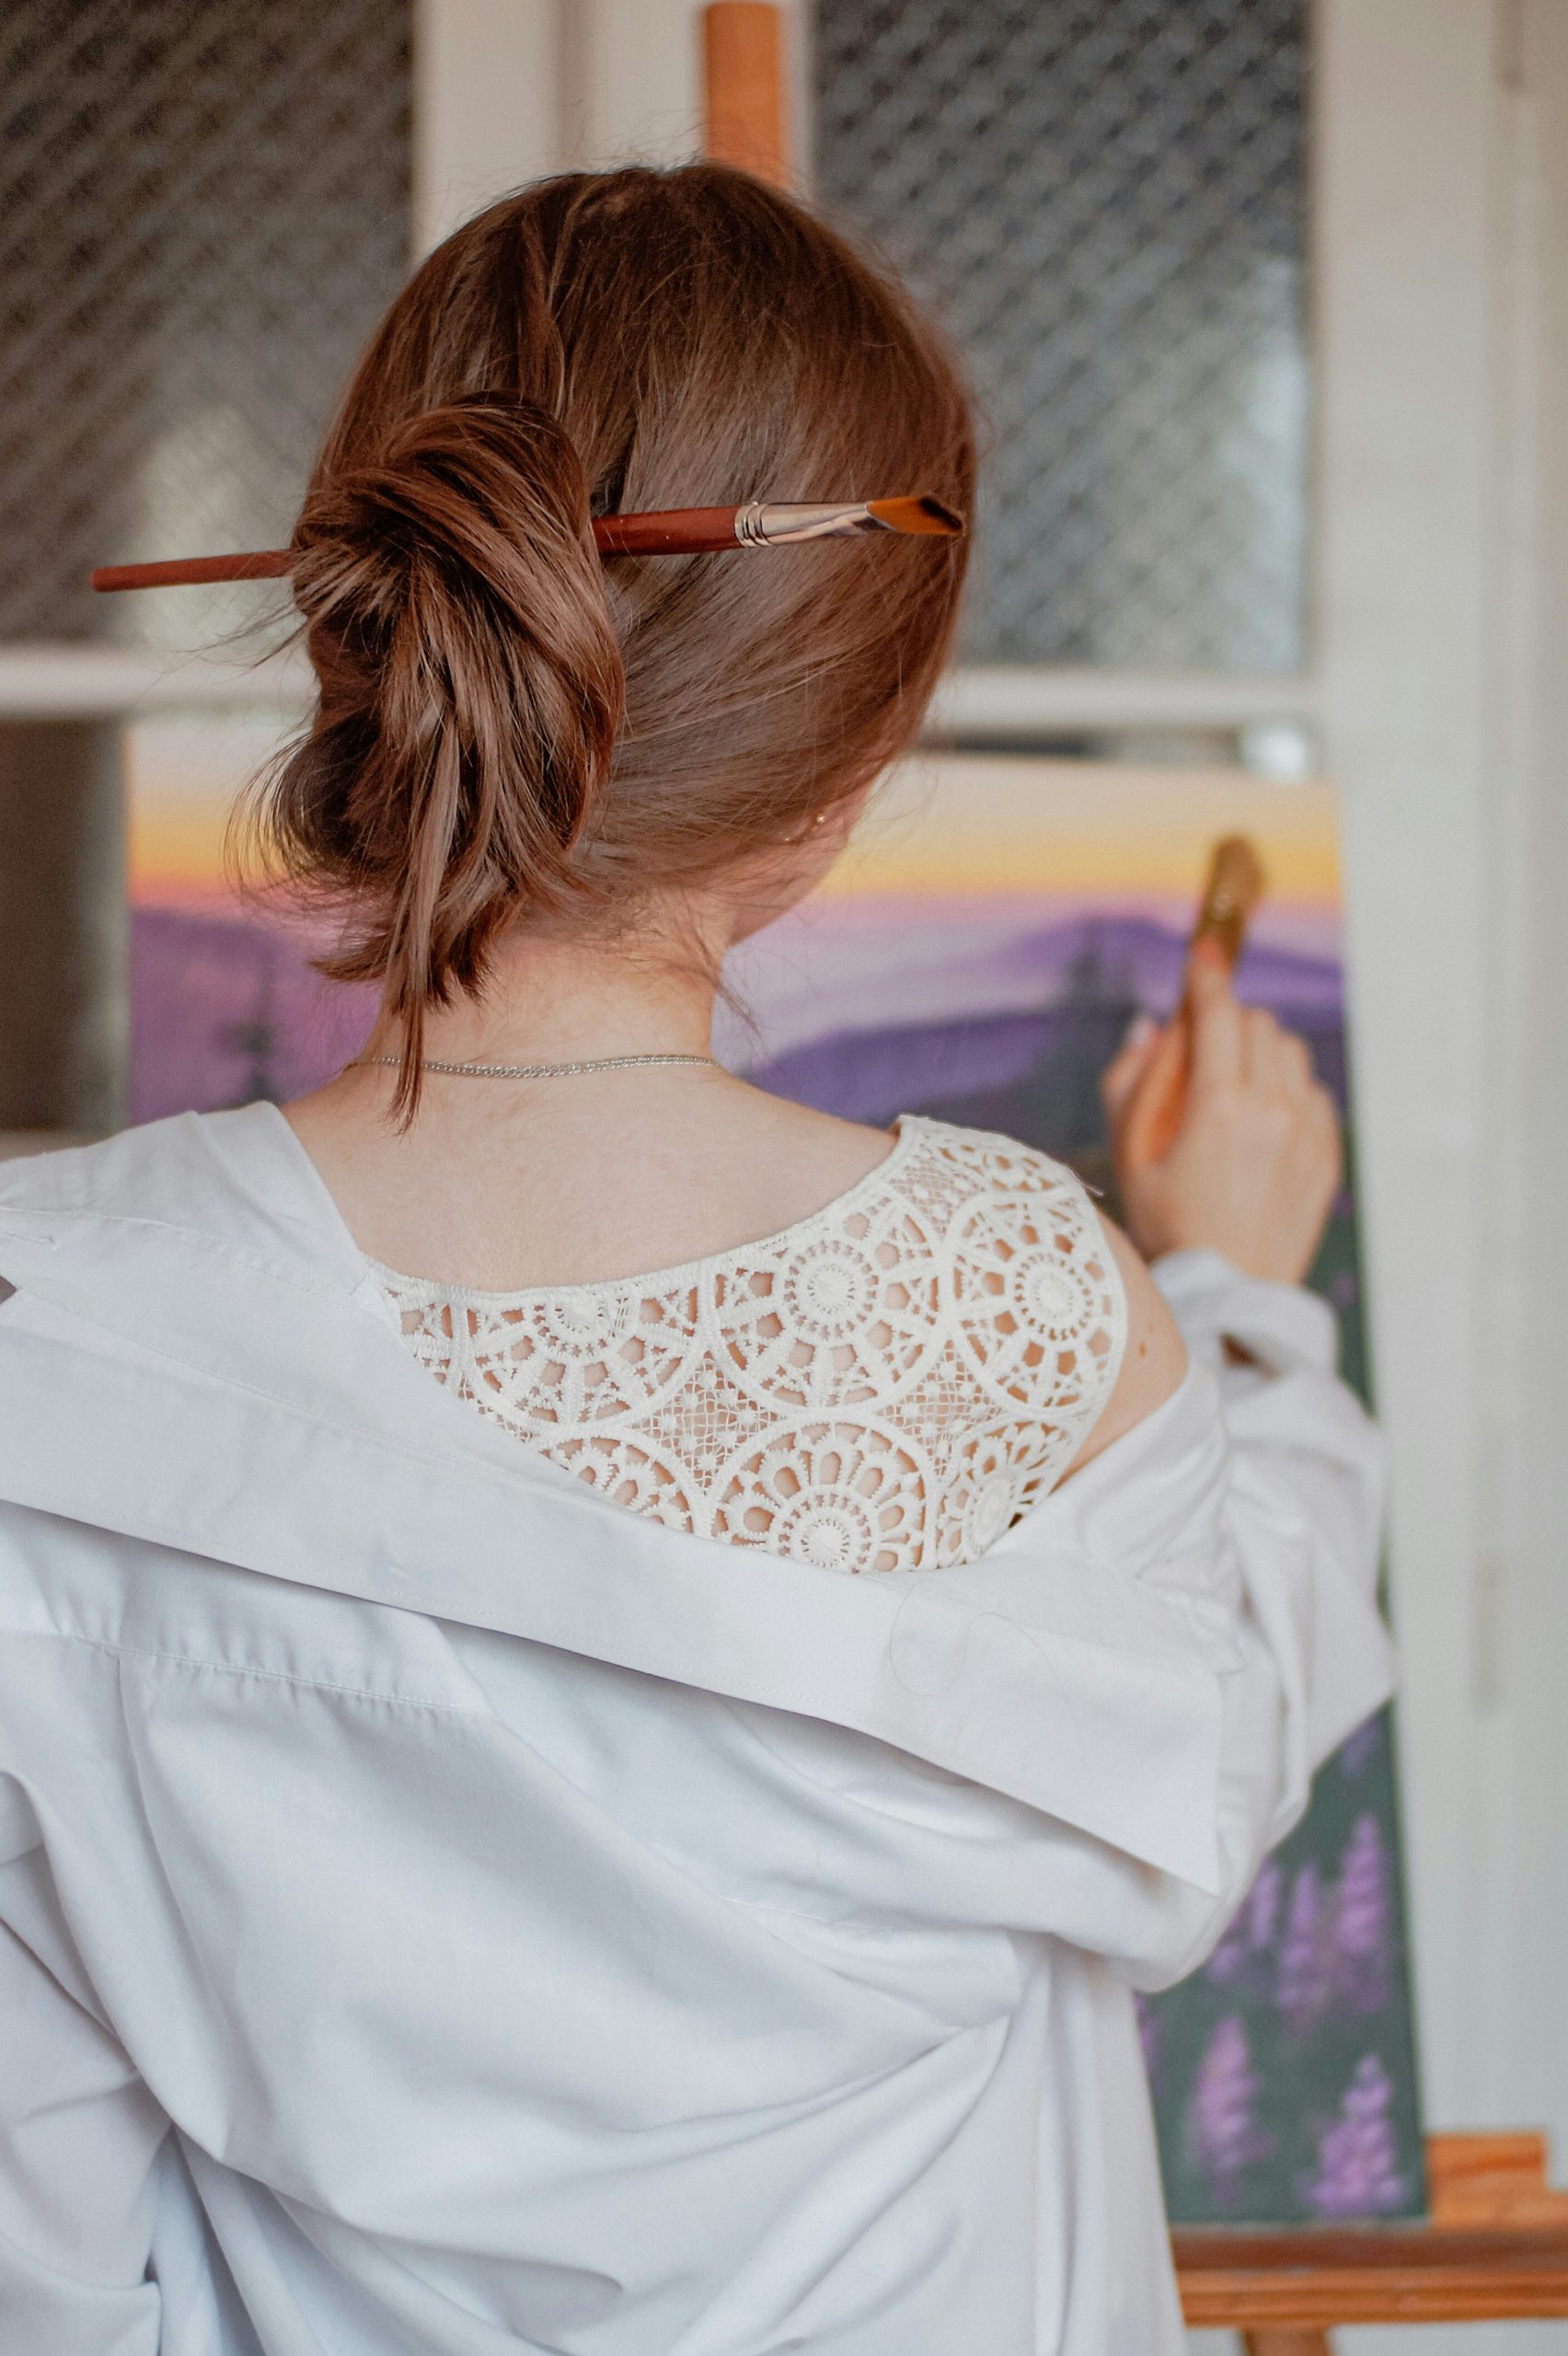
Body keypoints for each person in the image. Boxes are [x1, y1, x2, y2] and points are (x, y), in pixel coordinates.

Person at [0, 166, 1389, 2356]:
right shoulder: (1033, 1315)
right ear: (847, 764)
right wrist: (1249, 1315)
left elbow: (42, 2269)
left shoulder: (39, 1338)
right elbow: (1224, 1708)